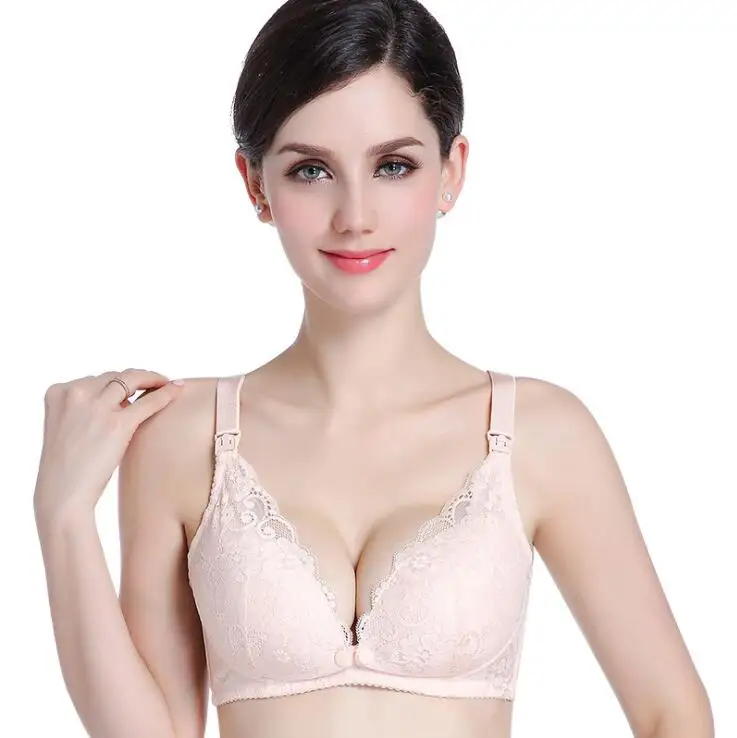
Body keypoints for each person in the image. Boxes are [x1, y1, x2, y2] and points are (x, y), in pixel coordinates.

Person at [33, 0, 714, 737]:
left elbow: (671, 714)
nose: (354, 216)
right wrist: (62, 516)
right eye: (311, 170)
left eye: (393, 166)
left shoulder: (540, 434)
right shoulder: (182, 437)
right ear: (256, 185)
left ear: (451, 172)